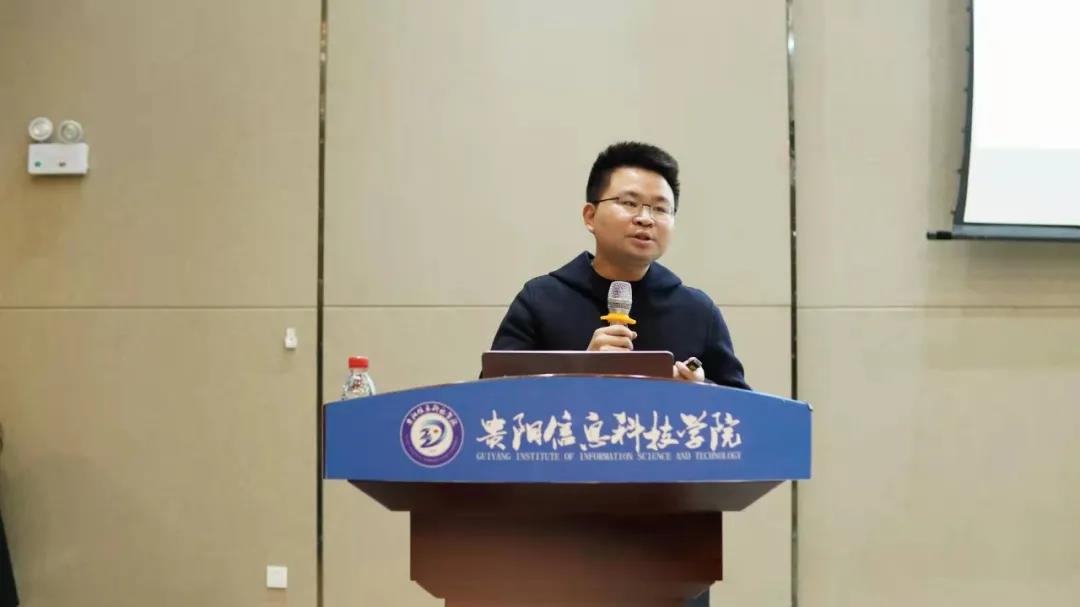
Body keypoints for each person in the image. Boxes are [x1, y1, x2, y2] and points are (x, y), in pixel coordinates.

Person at [490, 141, 750, 390]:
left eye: (660, 209)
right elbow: (493, 396)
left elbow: (743, 407)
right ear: (590, 216)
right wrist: (580, 372)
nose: (645, 219)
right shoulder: (541, 300)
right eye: (629, 203)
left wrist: (700, 391)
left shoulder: (697, 312)